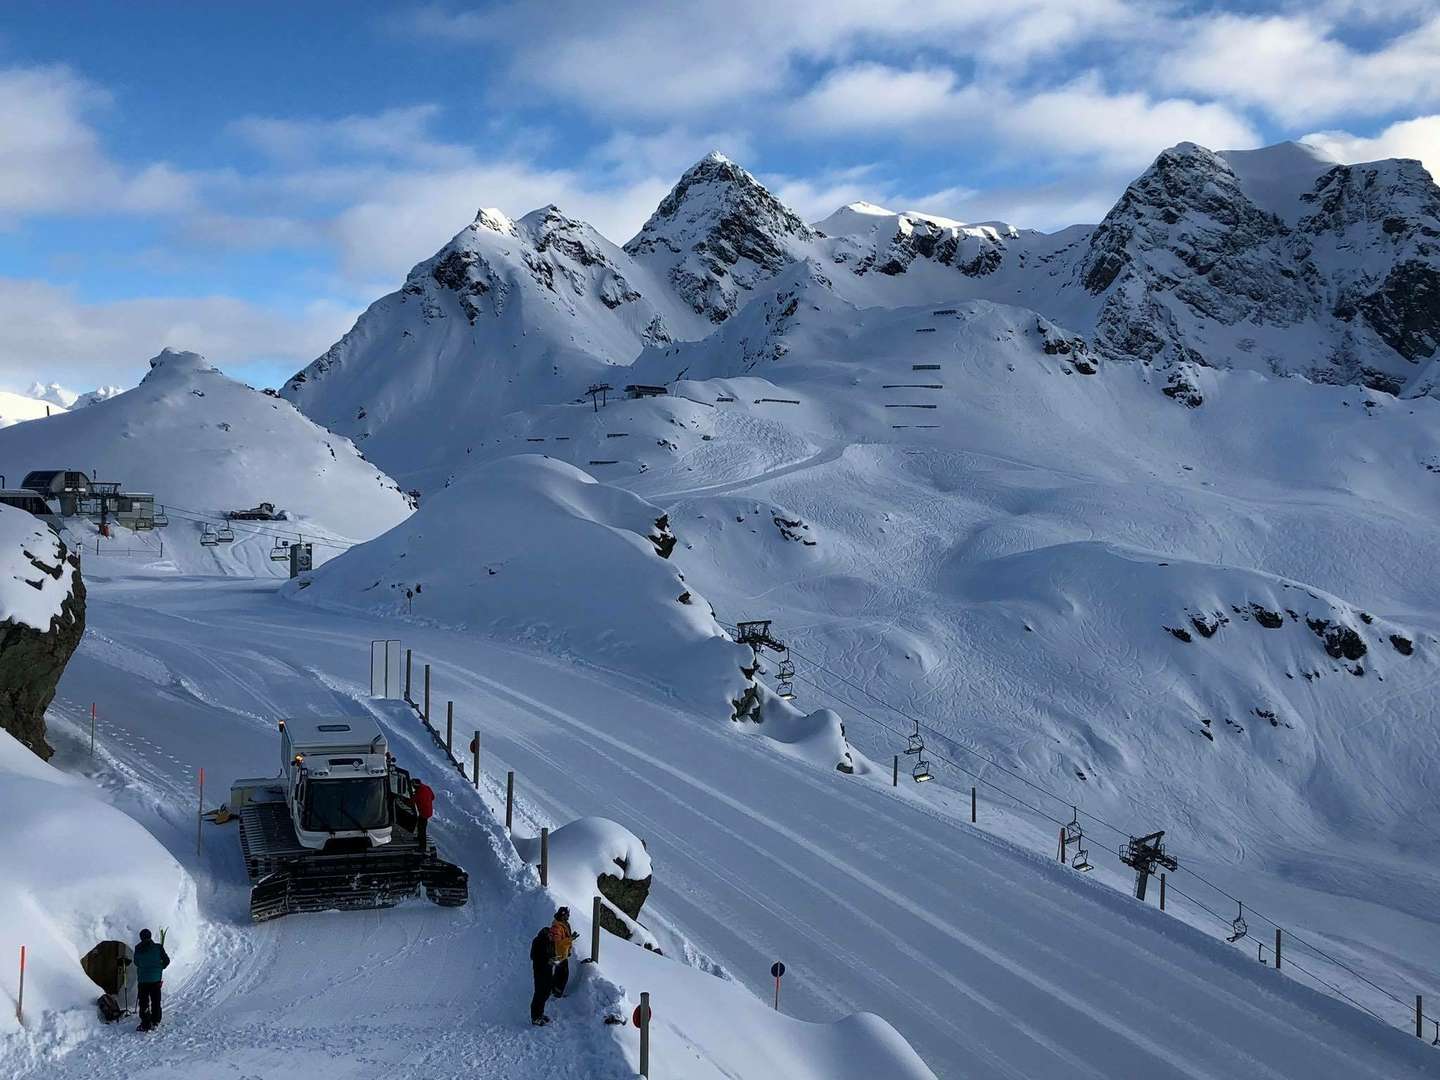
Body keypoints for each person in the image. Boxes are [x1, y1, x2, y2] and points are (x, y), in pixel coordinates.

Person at [133, 928, 170, 1032]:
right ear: (150, 936)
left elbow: (136, 962)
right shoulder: (158, 947)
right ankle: (156, 1020)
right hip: (156, 979)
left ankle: (145, 1023)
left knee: (144, 1001)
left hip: (143, 980)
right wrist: (160, 967)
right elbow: (167, 961)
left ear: (141, 938)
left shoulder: (138, 948)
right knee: (155, 1000)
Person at [549, 907, 578, 1000]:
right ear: (563, 915)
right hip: (558, 955)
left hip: (562, 954)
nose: (568, 916)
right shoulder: (557, 927)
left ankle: (553, 990)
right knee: (563, 975)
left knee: (559, 973)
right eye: (567, 915)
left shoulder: (563, 924)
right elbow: (558, 943)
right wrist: (571, 939)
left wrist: (568, 950)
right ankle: (557, 993)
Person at [529, 923, 555, 1026]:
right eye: (550, 934)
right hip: (540, 971)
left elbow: (551, 953)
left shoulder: (549, 942)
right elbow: (535, 957)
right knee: (539, 993)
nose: (551, 936)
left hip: (548, 970)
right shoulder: (538, 941)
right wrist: (548, 961)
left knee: (546, 992)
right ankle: (535, 1017)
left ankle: (540, 1013)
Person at [411, 777, 434, 849]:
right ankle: (419, 838)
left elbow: (411, 802)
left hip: (424, 813)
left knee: (422, 829)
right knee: (421, 825)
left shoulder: (418, 794)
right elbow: (433, 797)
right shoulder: (426, 787)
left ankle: (422, 847)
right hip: (428, 811)